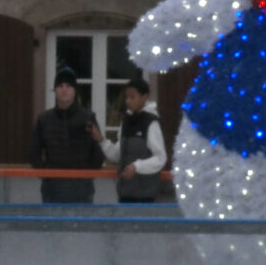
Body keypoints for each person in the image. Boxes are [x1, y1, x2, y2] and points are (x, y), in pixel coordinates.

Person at [31, 68, 104, 203]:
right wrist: (44, 174)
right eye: (60, 86)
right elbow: (34, 152)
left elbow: (98, 150)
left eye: (68, 86)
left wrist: (88, 175)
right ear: (55, 90)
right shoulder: (44, 119)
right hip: (52, 187)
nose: (64, 90)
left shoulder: (87, 117)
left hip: (82, 188)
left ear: (75, 91)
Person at [99, 75, 166, 204]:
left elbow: (160, 158)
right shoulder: (126, 122)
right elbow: (118, 155)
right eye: (126, 97)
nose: (127, 101)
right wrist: (102, 141)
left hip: (145, 195)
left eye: (132, 97)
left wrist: (137, 166)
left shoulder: (151, 123)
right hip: (125, 193)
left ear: (144, 97)